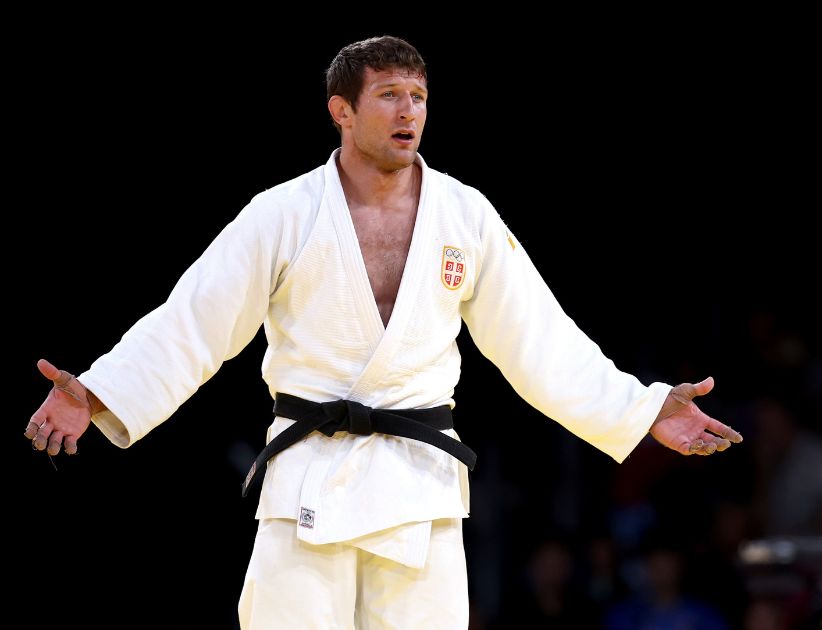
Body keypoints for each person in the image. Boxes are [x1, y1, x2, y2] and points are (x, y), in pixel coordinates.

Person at [23, 35, 742, 629]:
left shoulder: (465, 215)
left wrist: (643, 408)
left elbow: (541, 342)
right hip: (308, 478)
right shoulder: (283, 214)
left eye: (420, 97)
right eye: (391, 96)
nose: (410, 112)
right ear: (342, 110)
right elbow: (193, 323)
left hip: (418, 490)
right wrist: (97, 392)